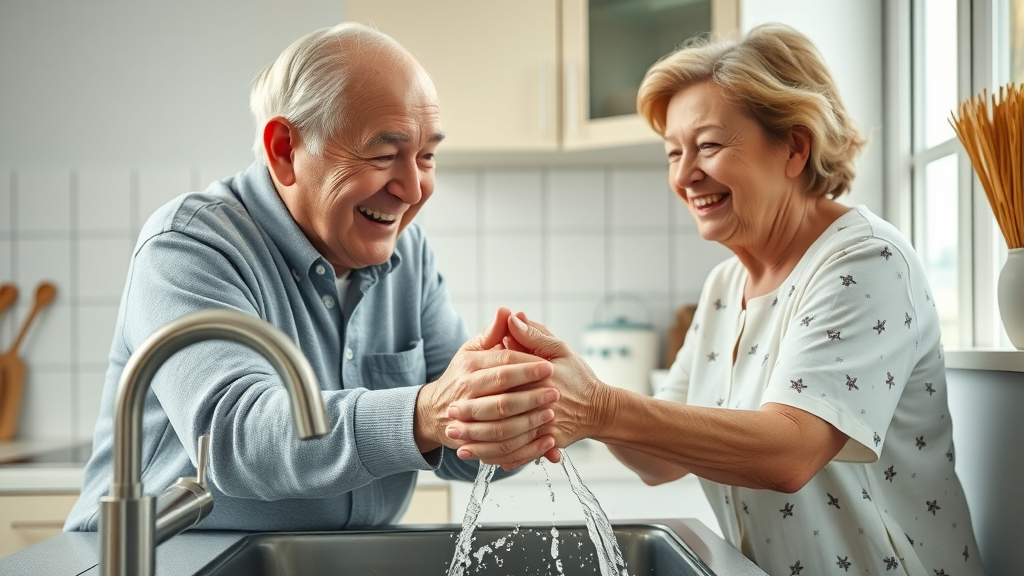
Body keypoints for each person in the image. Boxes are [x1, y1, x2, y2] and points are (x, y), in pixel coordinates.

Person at [446, 23, 985, 576]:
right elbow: (658, 460)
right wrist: (560, 395)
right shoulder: (726, 287)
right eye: (673, 152)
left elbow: (790, 452)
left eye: (707, 146)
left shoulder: (865, 262)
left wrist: (601, 405)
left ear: (795, 148)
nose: (683, 175)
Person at [64, 22, 560, 532]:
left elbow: (458, 443)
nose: (412, 189)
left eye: (426, 156)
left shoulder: (406, 253)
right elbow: (236, 438)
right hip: (171, 558)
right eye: (384, 155)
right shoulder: (188, 245)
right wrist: (422, 411)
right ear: (284, 150)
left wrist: (514, 410)